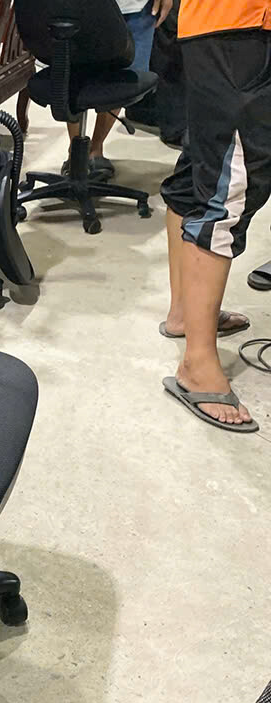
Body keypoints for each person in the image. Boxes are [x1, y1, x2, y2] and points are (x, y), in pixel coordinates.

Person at [160, 0, 271, 433]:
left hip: (226, 26)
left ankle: (184, 315)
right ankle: (197, 364)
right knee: (230, 184)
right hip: (239, 24)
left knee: (203, 169)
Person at [64, 0, 173, 180]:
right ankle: (75, 150)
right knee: (73, 75)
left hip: (137, 8)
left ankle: (96, 148)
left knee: (126, 80)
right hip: (82, 8)